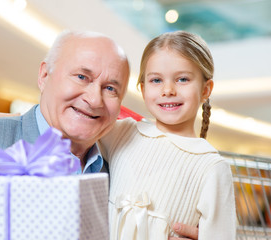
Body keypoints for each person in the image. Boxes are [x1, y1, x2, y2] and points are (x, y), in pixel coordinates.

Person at [0, 30, 199, 240]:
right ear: (44, 76)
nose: (94, 99)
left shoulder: (125, 169)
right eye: (82, 77)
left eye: (111, 88)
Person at [100, 31, 236, 239]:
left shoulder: (211, 167)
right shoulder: (122, 132)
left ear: (205, 90)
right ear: (143, 89)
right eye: (156, 80)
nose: (168, 90)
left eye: (182, 79)